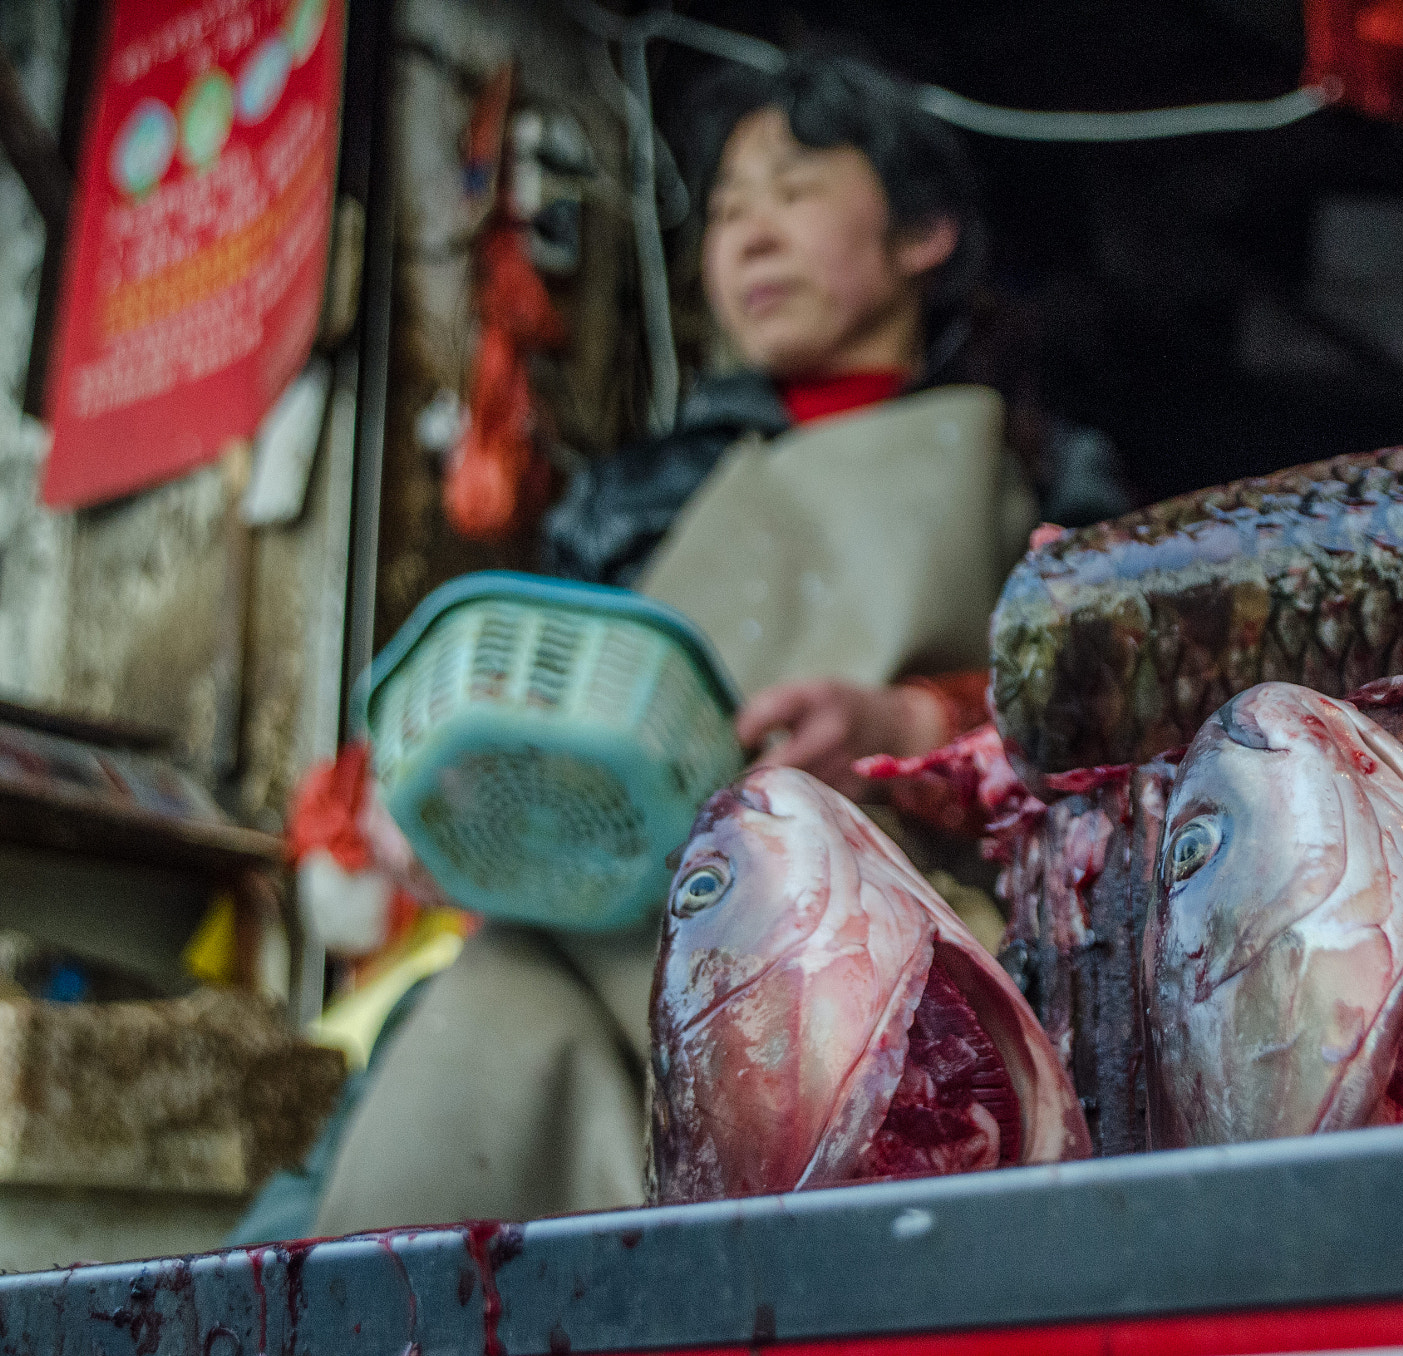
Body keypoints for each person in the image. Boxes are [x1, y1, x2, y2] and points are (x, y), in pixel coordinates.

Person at [310, 53, 1103, 1232]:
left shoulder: (1043, 471)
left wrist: (914, 723)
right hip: (598, 949)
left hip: (888, 957)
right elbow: (490, 719)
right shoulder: (633, 499)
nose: (748, 235)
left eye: (790, 190)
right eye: (727, 211)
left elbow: (1122, 716)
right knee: (387, 1182)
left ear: (923, 234)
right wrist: (420, 812)